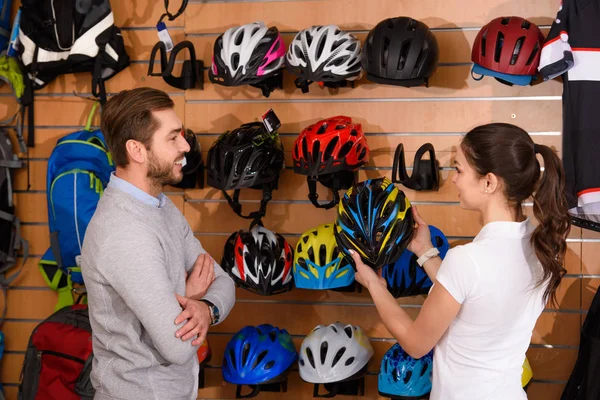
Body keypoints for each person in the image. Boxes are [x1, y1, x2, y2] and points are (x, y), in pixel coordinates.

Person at [350, 123, 570, 400]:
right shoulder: (539, 248)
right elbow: (474, 295)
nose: (453, 179)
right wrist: (425, 250)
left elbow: (416, 344)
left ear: (489, 182)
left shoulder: (468, 259)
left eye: (459, 169)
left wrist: (374, 284)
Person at [81, 87, 236, 400]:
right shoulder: (125, 232)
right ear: (137, 150)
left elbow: (224, 282)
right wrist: (189, 292)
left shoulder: (159, 207)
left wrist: (204, 307)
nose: (186, 146)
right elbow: (178, 346)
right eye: (173, 137)